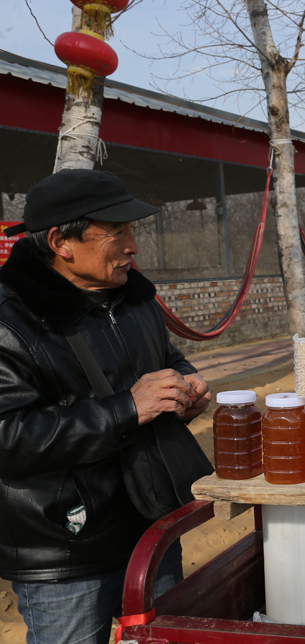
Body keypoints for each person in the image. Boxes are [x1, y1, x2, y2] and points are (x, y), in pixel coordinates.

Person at [0, 169, 214, 644]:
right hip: (66, 550)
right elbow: (8, 436)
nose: (132, 245)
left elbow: (168, 360)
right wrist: (127, 409)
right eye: (117, 233)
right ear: (61, 241)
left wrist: (185, 388)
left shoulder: (132, 298)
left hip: (151, 524)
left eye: (131, 231)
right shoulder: (10, 320)